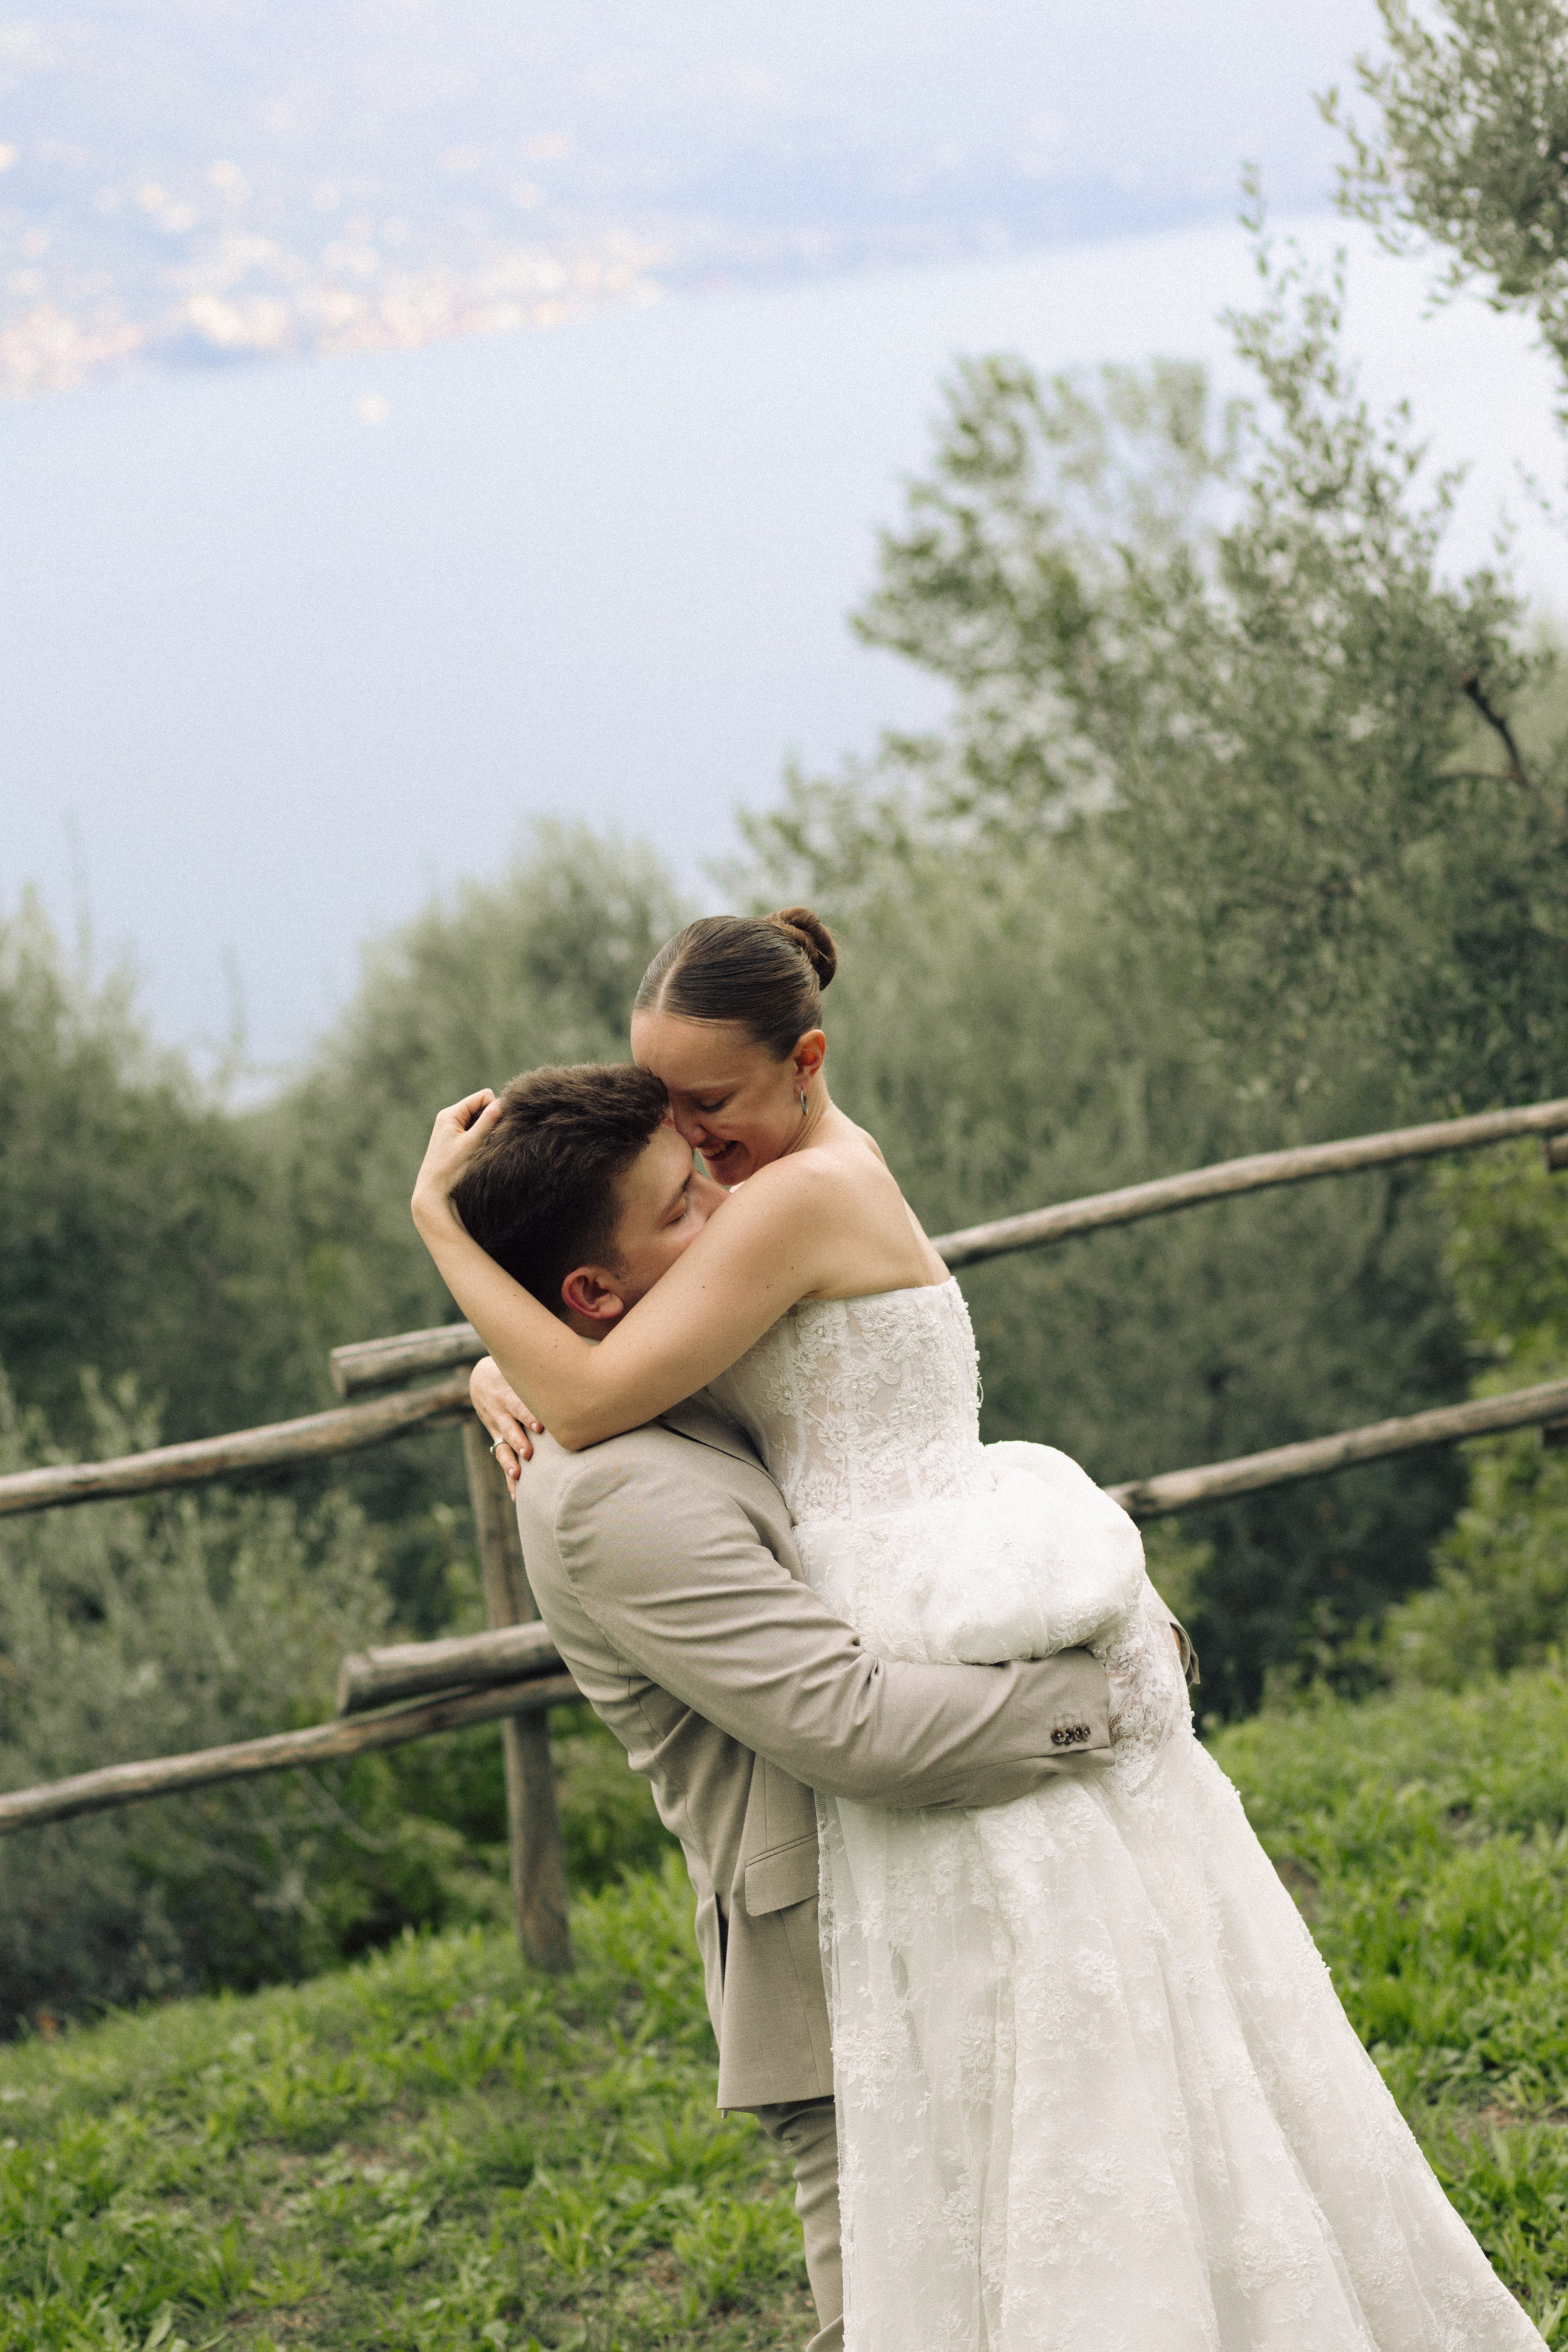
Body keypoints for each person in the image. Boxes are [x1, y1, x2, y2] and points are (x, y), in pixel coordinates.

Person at [418, 911, 1545, 2352]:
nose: (696, 1153)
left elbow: (594, 1382)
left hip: (918, 1637)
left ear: (803, 1061)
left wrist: (446, 1235)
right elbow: (615, 1360)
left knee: (1072, 2086)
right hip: (905, 1638)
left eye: (707, 1113)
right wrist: (486, 1359)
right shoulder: (778, 1193)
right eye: (672, 1128)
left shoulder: (782, 1203)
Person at [453, 1059, 1130, 2352]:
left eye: (702, 1172)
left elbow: (610, 1351)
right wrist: (1101, 1698)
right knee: (896, 2318)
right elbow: (848, 1727)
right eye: (678, 1207)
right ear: (593, 1295)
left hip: (930, 1886)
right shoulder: (612, 1498)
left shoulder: (653, 1372)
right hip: (825, 1954)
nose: (725, 1211)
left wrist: (491, 1363)